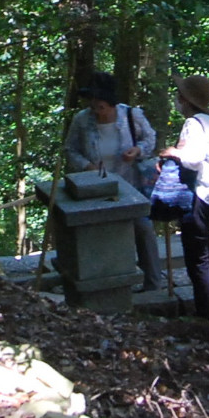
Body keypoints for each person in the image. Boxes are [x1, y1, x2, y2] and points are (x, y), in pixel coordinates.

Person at [63, 72, 161, 289]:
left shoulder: (131, 116)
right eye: (93, 107)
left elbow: (149, 138)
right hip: (94, 188)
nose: (97, 112)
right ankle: (105, 281)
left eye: (102, 108)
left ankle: (153, 280)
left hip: (131, 185)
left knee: (143, 229)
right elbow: (70, 149)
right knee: (99, 232)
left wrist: (137, 150)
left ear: (112, 104)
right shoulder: (81, 120)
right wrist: (86, 166)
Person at [158, 74, 209, 328]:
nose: (177, 99)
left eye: (179, 95)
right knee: (207, 253)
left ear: (185, 99)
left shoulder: (193, 124)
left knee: (197, 258)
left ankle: (206, 317)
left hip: (198, 194)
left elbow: (194, 157)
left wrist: (173, 153)